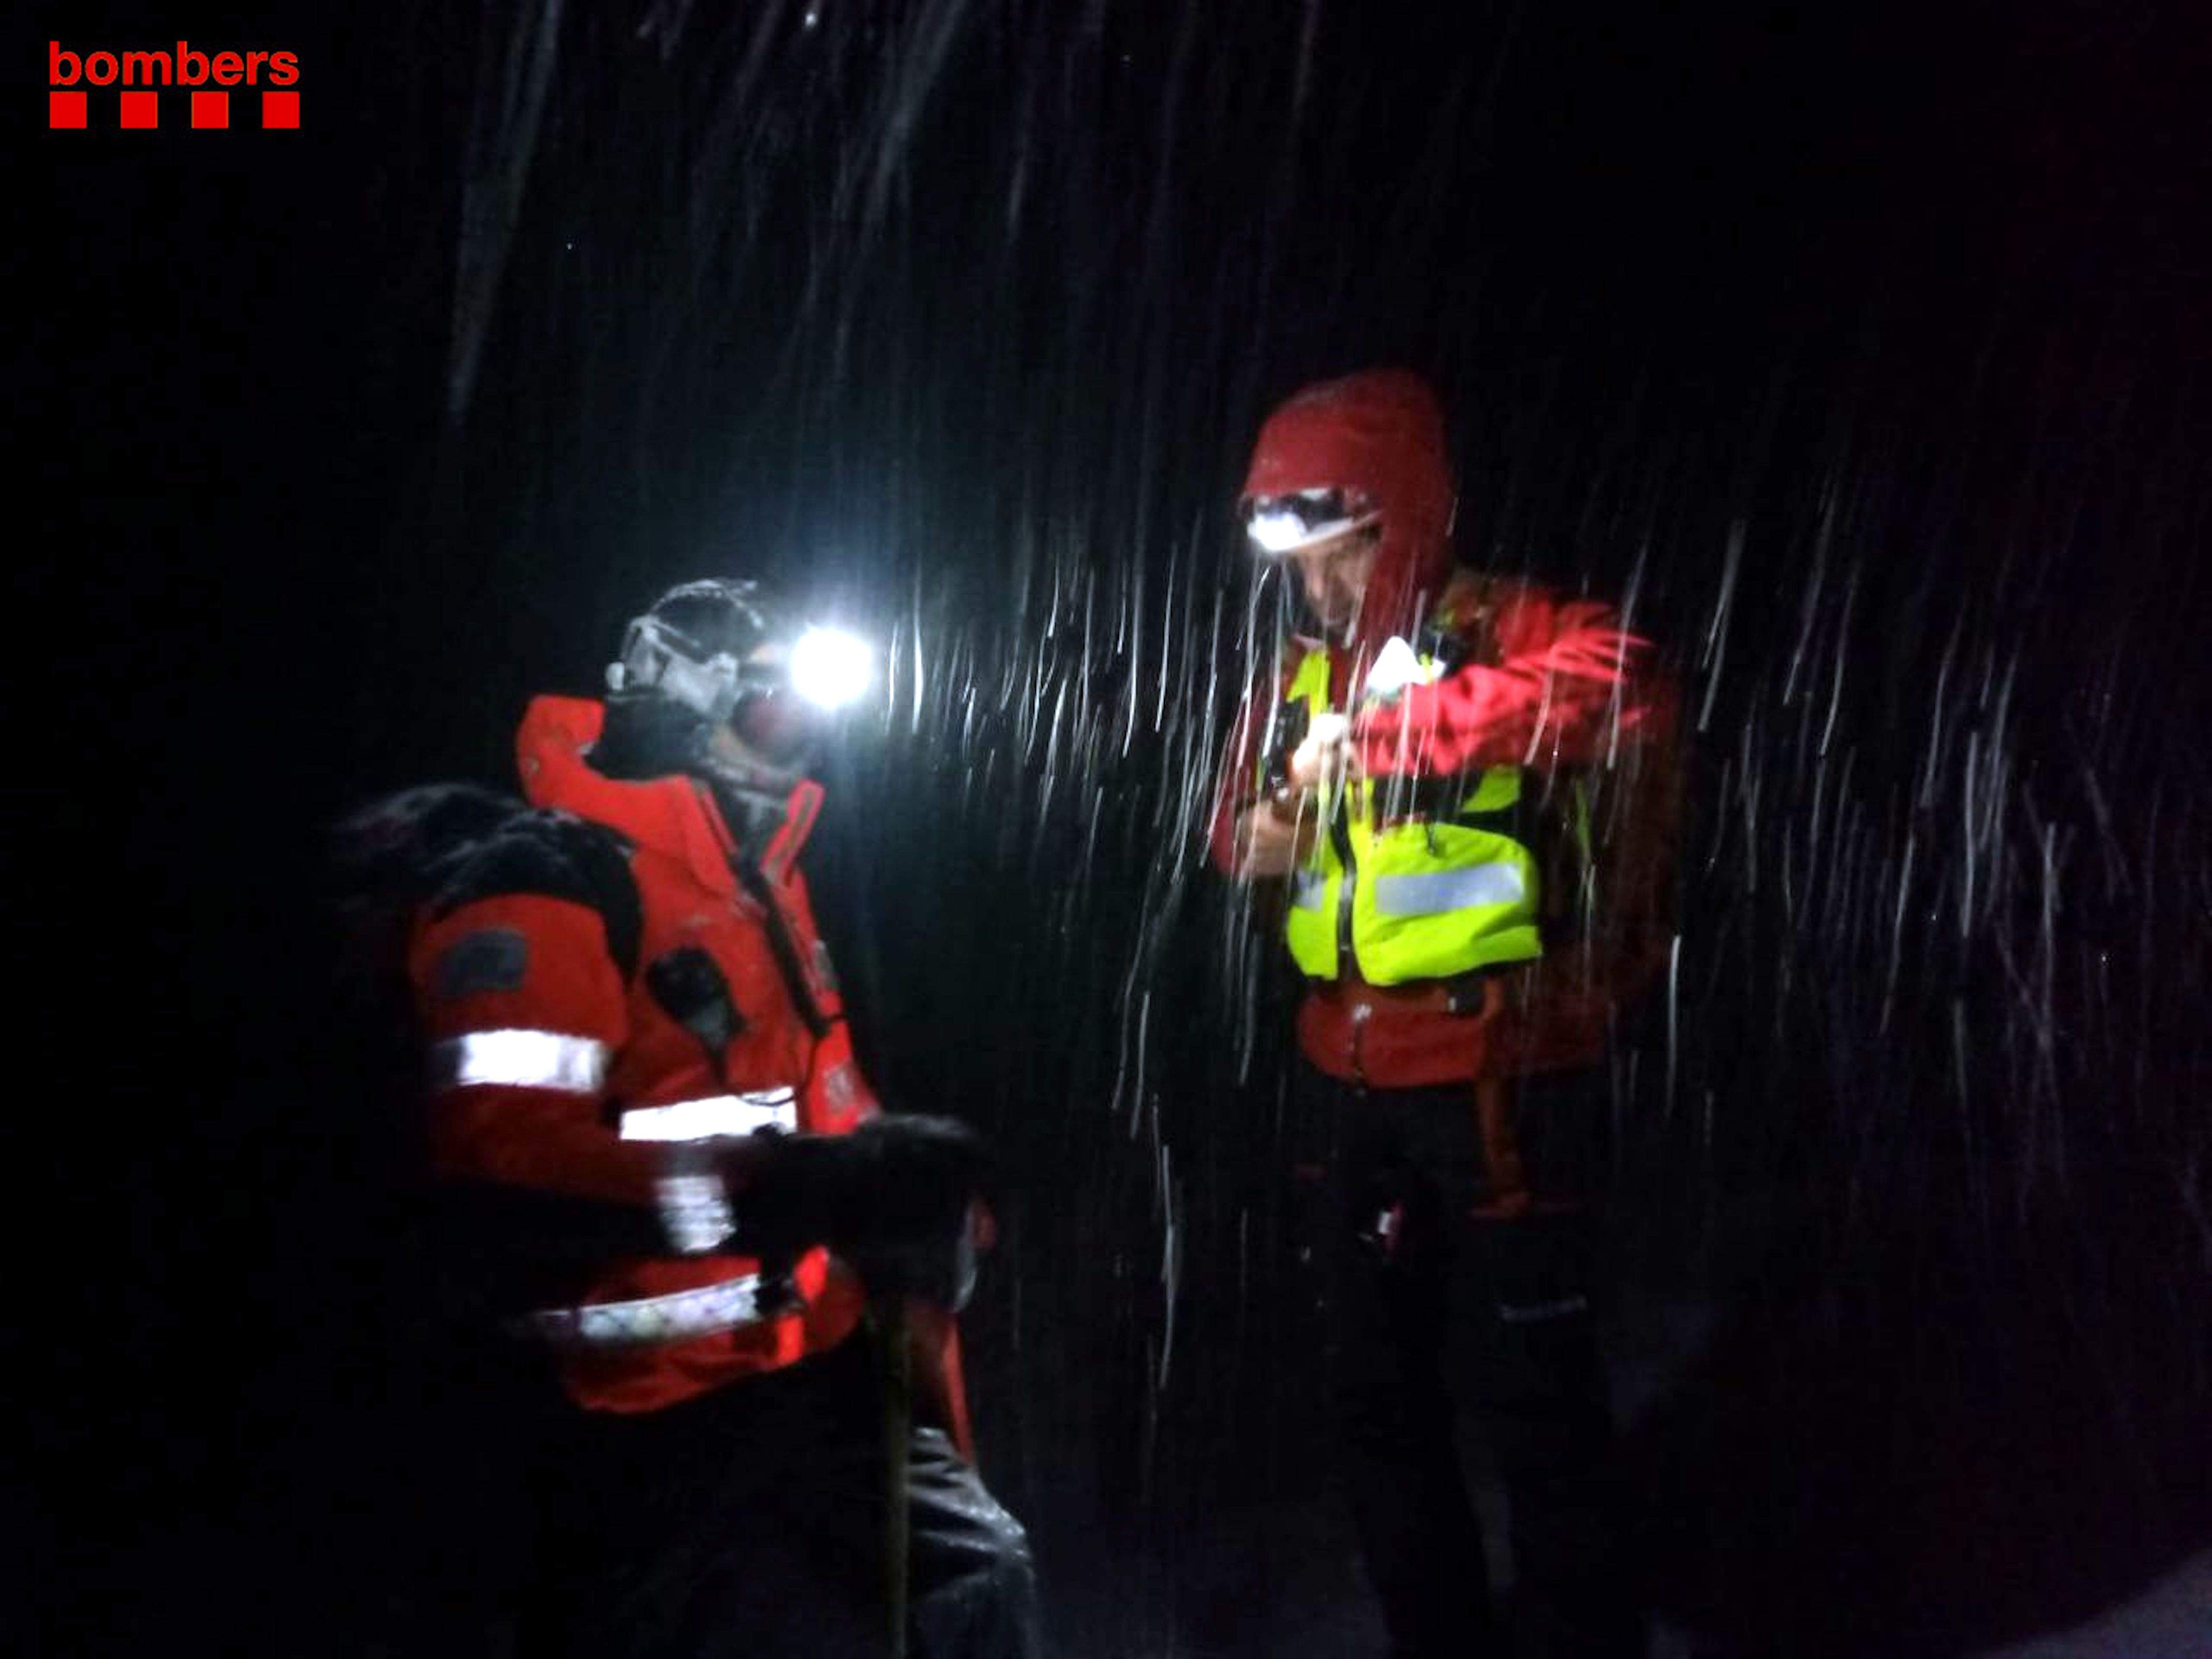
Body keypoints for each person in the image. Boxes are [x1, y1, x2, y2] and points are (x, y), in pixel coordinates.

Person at [365, 577, 1038, 1658]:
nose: (795, 739)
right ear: (681, 707)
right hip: (624, 1418)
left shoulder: (759, 881)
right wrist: (787, 1191)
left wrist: (909, 1185)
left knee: (975, 1579)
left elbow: (819, 1099)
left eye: (809, 713)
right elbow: (503, 1168)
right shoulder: (547, 879)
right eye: (771, 709)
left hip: (798, 1368)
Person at [1209, 370, 1678, 1657]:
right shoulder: (1300, 675)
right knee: (1376, 1404)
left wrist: (1404, 733)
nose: (1320, 592)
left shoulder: (1508, 624)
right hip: (1346, 1083)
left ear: (1407, 519)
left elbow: (1628, 686)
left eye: (1343, 555)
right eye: (1300, 568)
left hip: (1497, 1078)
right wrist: (1267, 818)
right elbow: (1237, 834)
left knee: (1538, 1406)